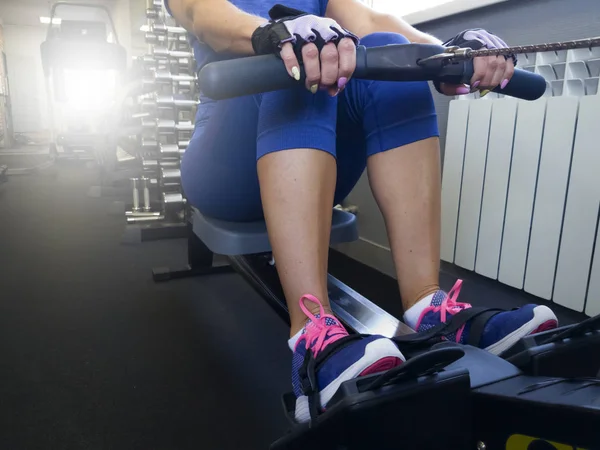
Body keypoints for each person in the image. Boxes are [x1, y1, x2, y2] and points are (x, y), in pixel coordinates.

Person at [165, 0, 559, 422]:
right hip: (225, 168)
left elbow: (372, 21)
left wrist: (449, 54)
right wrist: (275, 34)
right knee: (300, 57)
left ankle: (430, 307)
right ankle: (312, 338)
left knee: (392, 54)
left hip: (296, 155)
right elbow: (198, 15)